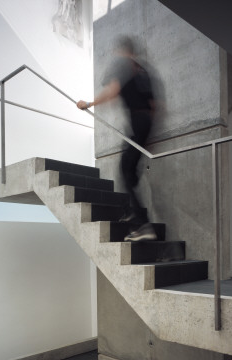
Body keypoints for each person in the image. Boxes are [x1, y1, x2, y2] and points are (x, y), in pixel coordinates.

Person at [77, 35, 157, 241]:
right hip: (145, 123)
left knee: (124, 170)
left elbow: (112, 92)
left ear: (122, 51)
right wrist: (145, 136)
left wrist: (89, 104)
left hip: (137, 122)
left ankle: (142, 226)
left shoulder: (122, 64)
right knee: (130, 172)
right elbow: (155, 106)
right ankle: (132, 212)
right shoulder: (142, 69)